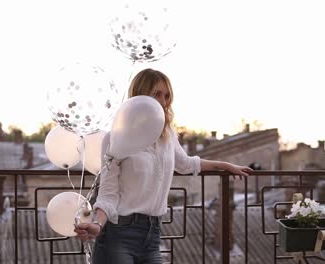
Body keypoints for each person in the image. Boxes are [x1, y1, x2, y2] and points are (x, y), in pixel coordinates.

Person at [74, 68, 252, 264]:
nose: (163, 101)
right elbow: (108, 193)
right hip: (118, 235)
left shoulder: (167, 136)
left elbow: (186, 164)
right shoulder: (115, 138)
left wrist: (225, 165)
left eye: (167, 96)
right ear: (140, 96)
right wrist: (97, 225)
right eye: (156, 94)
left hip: (153, 235)